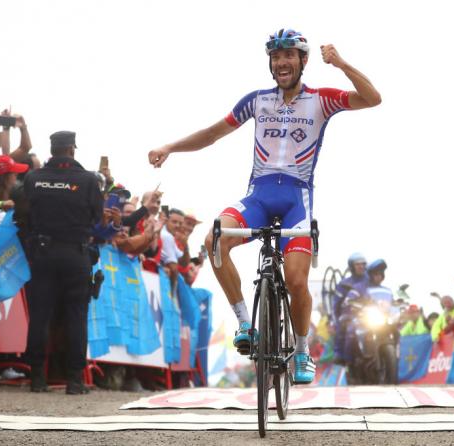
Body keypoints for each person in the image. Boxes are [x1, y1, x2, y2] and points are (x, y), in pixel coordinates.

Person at [148, 29, 381, 383]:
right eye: (276, 57)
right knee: (215, 240)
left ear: (303, 61)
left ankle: (301, 350)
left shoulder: (321, 100)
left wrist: (342, 64)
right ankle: (245, 322)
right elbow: (212, 134)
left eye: (289, 55)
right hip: (257, 196)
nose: (282, 62)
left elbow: (372, 98)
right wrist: (169, 147)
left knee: (297, 282)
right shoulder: (257, 101)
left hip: (296, 202)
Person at [22, 131, 103, 394]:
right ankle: (75, 381)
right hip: (76, 254)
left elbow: (24, 215)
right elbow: (97, 217)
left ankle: (36, 378)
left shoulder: (33, 178)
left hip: (43, 252)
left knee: (40, 316)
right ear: (72, 150)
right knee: (76, 317)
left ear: (53, 149)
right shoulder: (89, 180)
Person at [332, 253, 368, 364]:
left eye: (363, 264)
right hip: (350, 315)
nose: (361, 266)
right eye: (358, 264)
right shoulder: (344, 284)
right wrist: (335, 320)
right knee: (348, 328)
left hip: (369, 315)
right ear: (352, 266)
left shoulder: (371, 280)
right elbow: (336, 305)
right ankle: (343, 356)